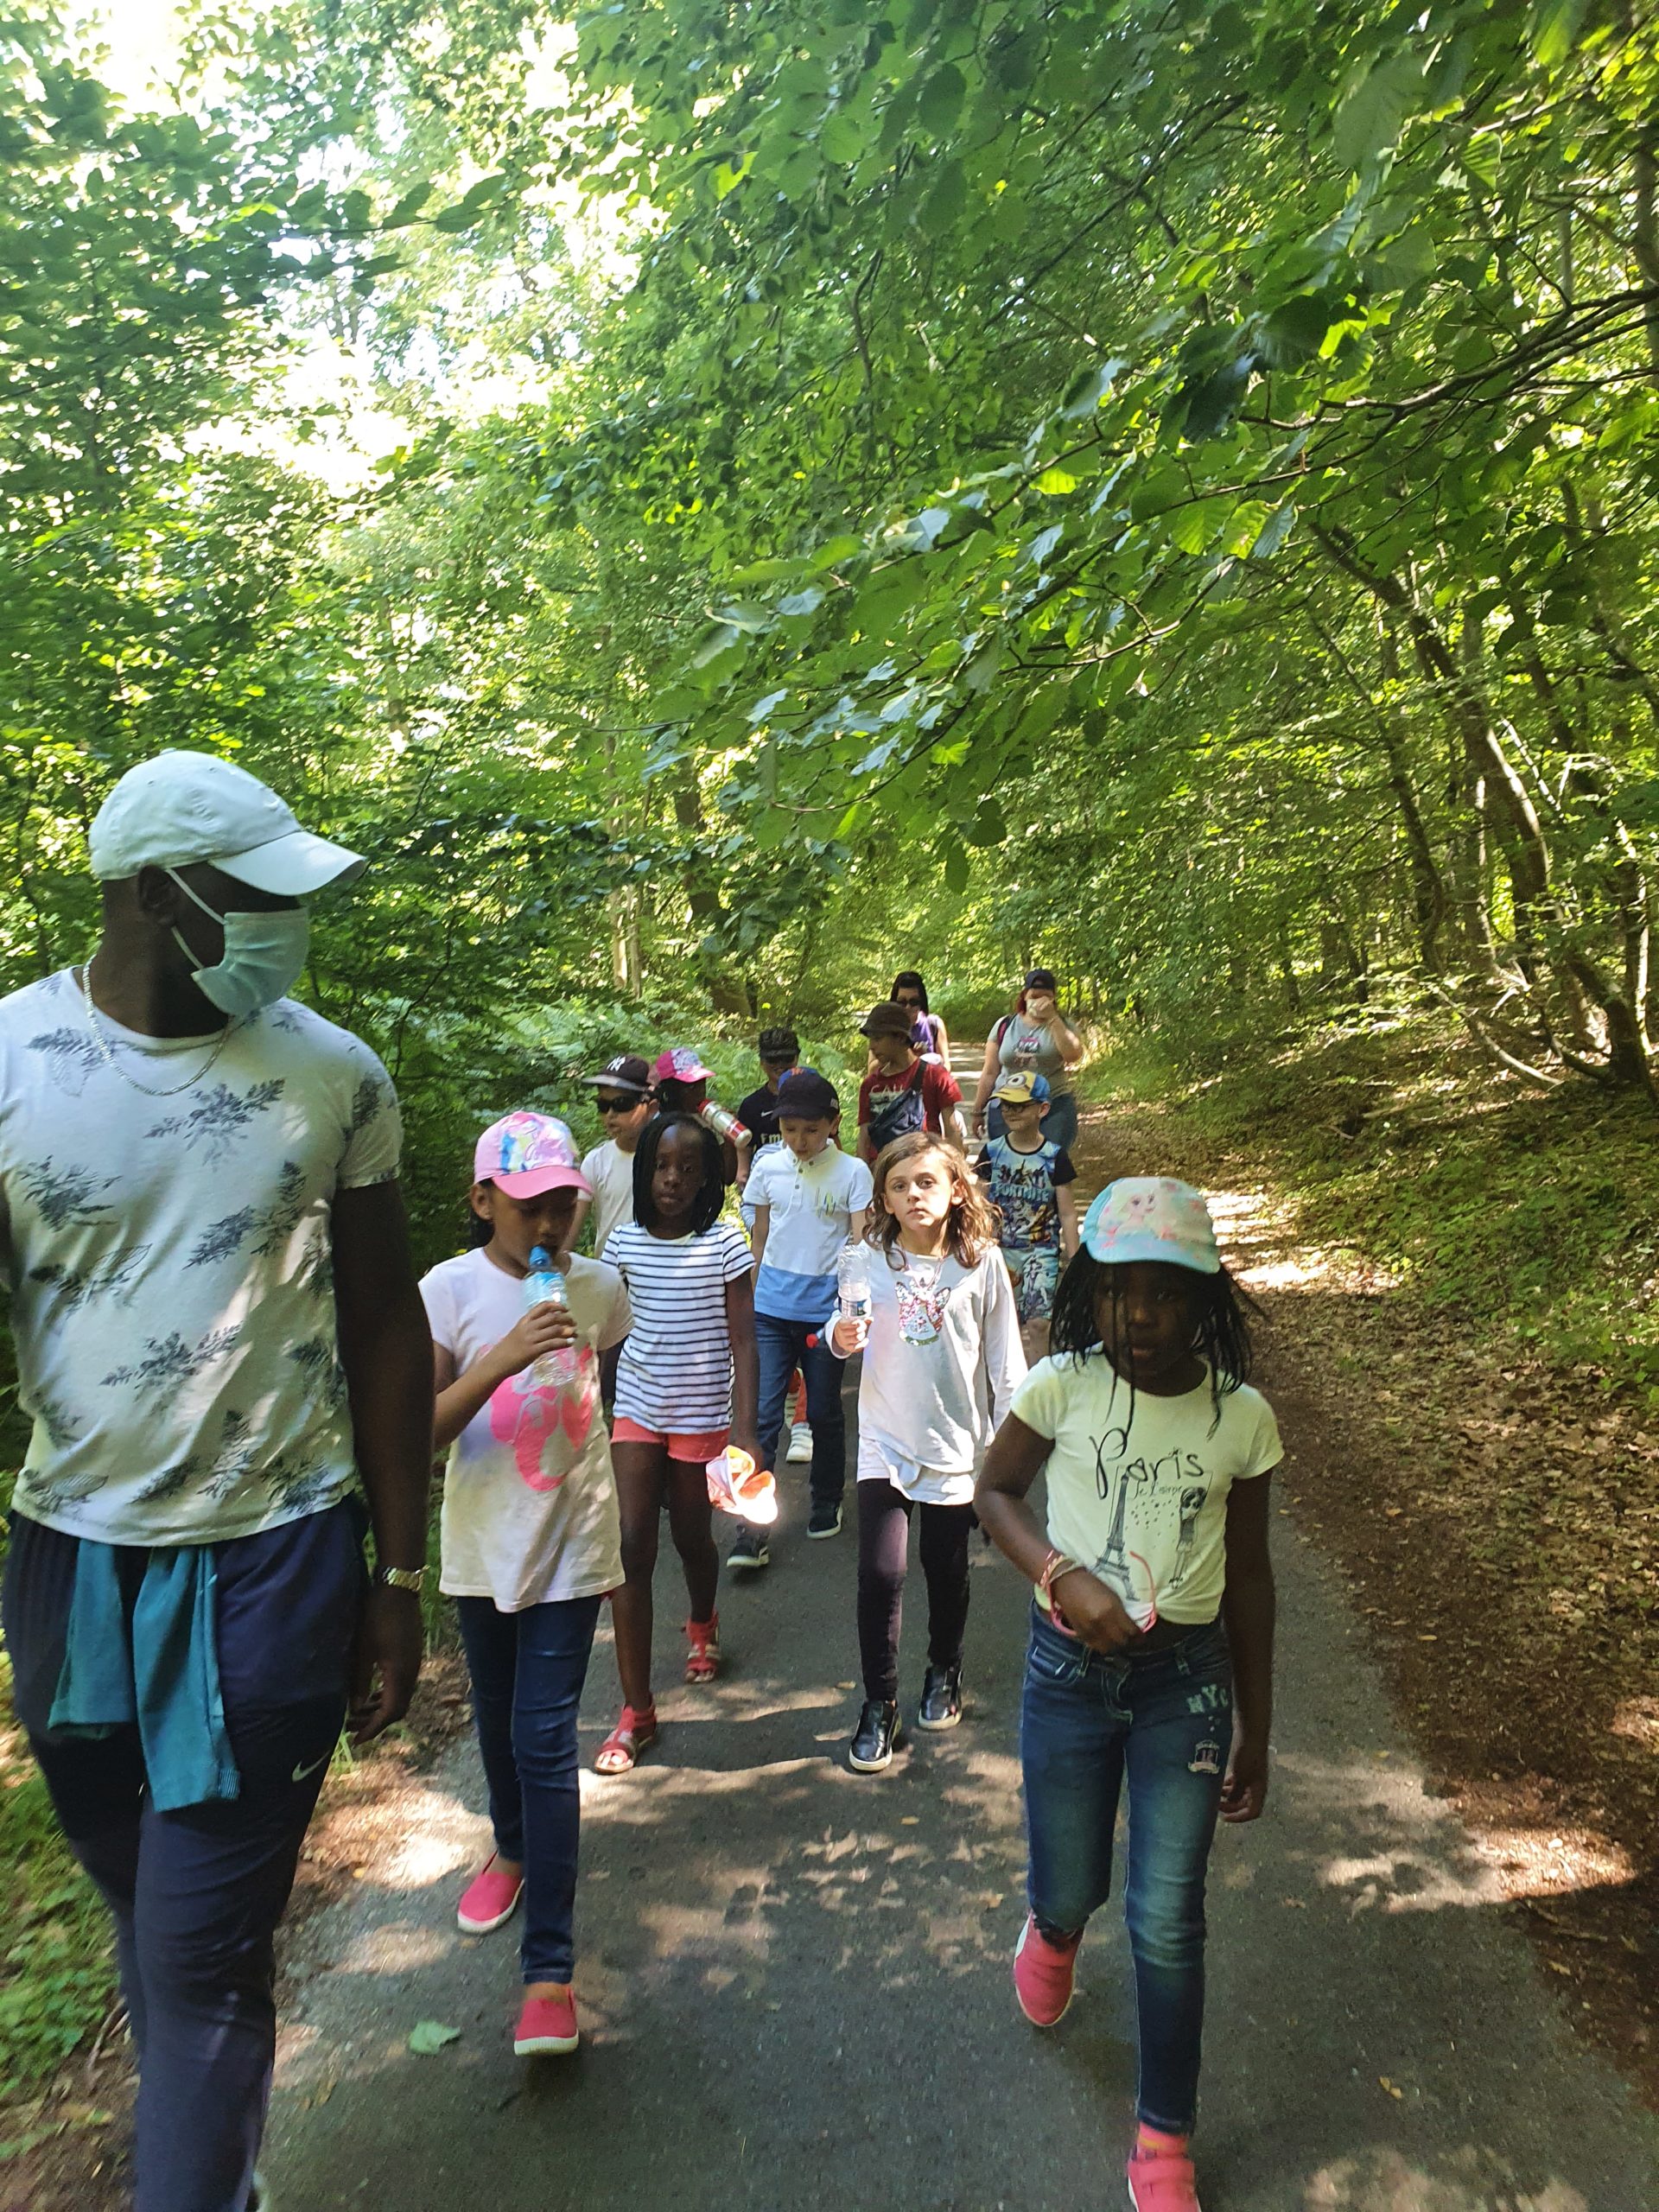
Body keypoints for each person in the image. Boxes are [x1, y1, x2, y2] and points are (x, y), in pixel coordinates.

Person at [0, 750, 432, 2212]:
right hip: (71, 1566)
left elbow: (385, 1325)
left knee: (196, 1955)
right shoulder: (11, 1064)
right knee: (154, 1916)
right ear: (153, 895)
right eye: (255, 896)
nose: (283, 927)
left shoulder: (332, 1075)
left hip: (276, 1559)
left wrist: (397, 1572)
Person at [974, 1178, 1281, 2212]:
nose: (1136, 1315)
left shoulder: (1241, 1419)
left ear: (1206, 1300)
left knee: (1168, 1915)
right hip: (1067, 1677)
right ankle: (1055, 1928)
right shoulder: (1061, 1386)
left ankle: (1163, 2135)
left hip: (1185, 1686)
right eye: (1114, 1291)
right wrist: (1059, 1574)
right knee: (1071, 1885)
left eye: (1163, 1293)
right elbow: (995, 1492)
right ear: (1086, 1295)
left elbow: (1252, 1578)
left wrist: (1257, 1729)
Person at [421, 1113, 632, 2060]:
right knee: (497, 1718)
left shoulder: (600, 1287)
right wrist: (504, 1355)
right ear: (483, 1202)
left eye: (563, 1206)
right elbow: (420, 1431)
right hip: (481, 1544)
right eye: (527, 1205)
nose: (549, 1224)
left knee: (545, 1740)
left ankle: (548, 1971)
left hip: (572, 1545)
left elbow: (599, 1389)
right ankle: (509, 1846)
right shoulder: (448, 1290)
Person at [831, 1133, 1024, 1771]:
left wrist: (1005, 1458)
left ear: (955, 1190)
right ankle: (879, 1703)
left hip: (955, 1446)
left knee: (946, 1569)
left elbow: (1006, 1365)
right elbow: (840, 1332)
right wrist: (841, 1336)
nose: (913, 1194)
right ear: (883, 1200)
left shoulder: (981, 1262)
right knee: (880, 1574)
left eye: (926, 1182)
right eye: (899, 1186)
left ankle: (945, 1666)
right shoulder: (868, 1258)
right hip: (884, 1439)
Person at [595, 1113, 760, 1772]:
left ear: (707, 1179)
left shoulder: (724, 1244)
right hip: (636, 1408)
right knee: (632, 1543)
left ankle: (702, 1621)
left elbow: (744, 1340)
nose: (672, 1179)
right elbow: (606, 1334)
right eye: (662, 1166)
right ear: (644, 1171)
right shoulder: (622, 1244)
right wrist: (595, 1410)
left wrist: (746, 1431)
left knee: (693, 1536)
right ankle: (636, 1712)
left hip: (702, 1415)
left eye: (689, 1169)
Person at [728, 1070, 872, 1569]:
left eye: (811, 1129)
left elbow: (859, 1244)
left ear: (833, 1123)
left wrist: (854, 1310)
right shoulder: (768, 1166)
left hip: (825, 1315)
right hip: (770, 1310)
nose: (800, 1139)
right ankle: (752, 1527)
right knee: (762, 1415)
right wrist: (749, 1297)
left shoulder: (853, 1172)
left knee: (824, 1410)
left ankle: (826, 1498)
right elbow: (760, 1236)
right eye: (790, 1129)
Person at [975, 1070, 1080, 1360]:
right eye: (1006, 1105)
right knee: (1000, 1320)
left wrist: (1075, 1261)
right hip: (998, 1251)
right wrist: (974, 1243)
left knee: (1039, 1323)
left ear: (1042, 1109)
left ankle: (1039, 1379)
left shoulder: (1054, 1157)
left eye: (1020, 1106)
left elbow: (1068, 1214)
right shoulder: (992, 1153)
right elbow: (978, 1203)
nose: (1011, 1111)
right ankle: (1002, 1380)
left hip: (1041, 1251)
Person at [970, 968, 1084, 1154]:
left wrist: (1052, 1019)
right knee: (1008, 1163)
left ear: (1053, 998)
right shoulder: (1005, 1025)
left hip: (1052, 1108)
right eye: (1035, 996)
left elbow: (1073, 1056)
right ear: (1024, 996)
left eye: (1046, 997)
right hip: (1007, 1108)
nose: (1040, 1002)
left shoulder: (1063, 1025)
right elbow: (990, 1071)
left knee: (1048, 1163)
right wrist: (977, 1111)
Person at [855, 1001, 967, 1164]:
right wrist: (864, 1176)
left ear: (900, 1037)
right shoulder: (870, 1085)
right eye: (870, 1039)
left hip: (925, 1168)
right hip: (881, 1172)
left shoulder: (935, 1076)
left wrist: (956, 1171)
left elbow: (952, 1133)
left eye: (878, 1038)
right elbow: (863, 1141)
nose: (871, 1046)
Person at [572, 1052, 654, 1258]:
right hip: (609, 1272)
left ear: (651, 1107)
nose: (610, 1114)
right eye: (603, 1105)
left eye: (622, 1104)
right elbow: (572, 1227)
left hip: (658, 1273)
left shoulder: (666, 1162)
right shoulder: (596, 1162)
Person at [652, 1044, 745, 1183]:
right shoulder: (656, 1125)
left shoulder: (707, 1120)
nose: (700, 1091)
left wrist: (728, 1137)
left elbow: (727, 1177)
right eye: (691, 1087)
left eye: (702, 1083)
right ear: (669, 1090)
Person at [890, 971, 950, 1061]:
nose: (908, 1007)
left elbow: (945, 1066)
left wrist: (926, 1057)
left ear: (922, 1002)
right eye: (902, 1002)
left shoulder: (934, 1025)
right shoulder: (886, 1029)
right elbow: (873, 1068)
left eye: (914, 1002)